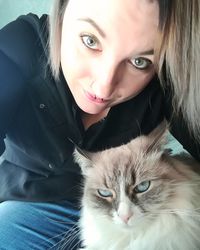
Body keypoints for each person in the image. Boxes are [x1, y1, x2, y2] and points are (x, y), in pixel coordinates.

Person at [0, 0, 199, 249]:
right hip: (36, 203)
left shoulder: (166, 80)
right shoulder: (17, 47)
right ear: (61, 11)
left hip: (144, 209)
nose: (104, 86)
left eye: (140, 62)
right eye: (90, 40)